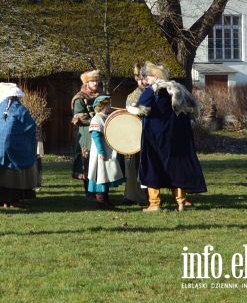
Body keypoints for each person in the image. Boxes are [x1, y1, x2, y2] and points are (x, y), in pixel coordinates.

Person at [136, 62, 206, 212]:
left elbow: (140, 109)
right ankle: (181, 201)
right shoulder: (178, 89)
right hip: (177, 136)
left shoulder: (152, 90)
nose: (146, 80)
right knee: (176, 166)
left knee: (152, 166)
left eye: (147, 77)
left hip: (155, 136)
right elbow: (192, 109)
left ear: (155, 77)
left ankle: (154, 204)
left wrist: (132, 109)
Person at [0, 83, 39, 209]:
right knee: (14, 170)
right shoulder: (21, 110)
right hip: (13, 147)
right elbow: (31, 127)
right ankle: (13, 199)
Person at [87, 95, 125, 209]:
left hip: (107, 151)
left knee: (106, 175)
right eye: (107, 104)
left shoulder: (105, 117)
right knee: (101, 175)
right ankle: (101, 200)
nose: (109, 106)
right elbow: (96, 136)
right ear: (101, 106)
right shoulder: (97, 118)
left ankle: (106, 199)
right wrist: (101, 152)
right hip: (101, 153)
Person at [71, 69, 101, 200]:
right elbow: (80, 117)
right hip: (86, 133)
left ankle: (100, 191)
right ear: (86, 83)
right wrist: (96, 120)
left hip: (101, 132)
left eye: (96, 81)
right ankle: (89, 191)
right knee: (87, 160)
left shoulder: (101, 95)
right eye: (92, 81)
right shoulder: (80, 98)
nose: (95, 83)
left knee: (100, 161)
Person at [122, 64, 149, 206]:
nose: (142, 82)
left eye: (144, 78)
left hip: (151, 134)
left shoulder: (155, 92)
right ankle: (132, 195)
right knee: (133, 167)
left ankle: (151, 196)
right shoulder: (131, 96)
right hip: (136, 136)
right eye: (139, 79)